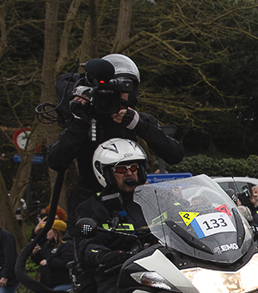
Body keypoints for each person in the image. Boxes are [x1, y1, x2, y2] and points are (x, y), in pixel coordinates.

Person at [47, 54, 184, 218]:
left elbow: (175, 154)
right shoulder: (86, 121)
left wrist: (139, 125)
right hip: (90, 205)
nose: (120, 96)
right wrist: (79, 123)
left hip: (134, 203)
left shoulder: (139, 120)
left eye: (126, 89)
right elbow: (56, 161)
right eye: (114, 91)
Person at [72, 139, 153, 293]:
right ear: (105, 173)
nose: (130, 173)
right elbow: (86, 247)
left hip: (160, 267)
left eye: (134, 167)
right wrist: (105, 255)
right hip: (116, 274)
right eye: (121, 169)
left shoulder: (154, 201)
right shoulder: (92, 208)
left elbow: (184, 221)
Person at [31, 220, 75, 293]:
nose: (46, 232)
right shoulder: (48, 245)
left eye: (48, 230)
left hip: (63, 283)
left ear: (56, 231)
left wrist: (49, 262)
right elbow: (40, 260)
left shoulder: (67, 245)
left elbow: (68, 262)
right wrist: (35, 254)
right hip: (47, 284)